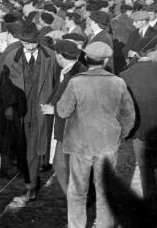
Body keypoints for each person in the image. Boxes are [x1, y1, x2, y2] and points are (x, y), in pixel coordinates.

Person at [57, 42, 135, 228]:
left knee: (77, 190)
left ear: (86, 58)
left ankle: (76, 225)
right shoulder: (118, 82)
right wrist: (120, 134)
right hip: (108, 144)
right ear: (106, 60)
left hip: (79, 144)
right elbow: (129, 115)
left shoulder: (76, 81)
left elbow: (63, 111)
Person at [0, 22, 58, 203]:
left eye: (34, 42)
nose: (31, 46)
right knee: (22, 149)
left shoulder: (51, 56)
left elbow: (57, 83)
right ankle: (31, 180)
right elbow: (6, 84)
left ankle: (30, 185)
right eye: (26, 43)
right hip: (19, 111)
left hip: (40, 111)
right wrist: (9, 105)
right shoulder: (11, 57)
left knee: (33, 149)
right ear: (21, 41)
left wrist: (52, 104)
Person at [42, 40, 86, 195]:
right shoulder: (68, 71)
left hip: (70, 131)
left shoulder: (76, 74)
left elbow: (79, 104)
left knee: (62, 167)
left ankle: (75, 205)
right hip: (64, 128)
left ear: (59, 56)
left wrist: (53, 109)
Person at [119, 37, 157, 201]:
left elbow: (124, 108)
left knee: (146, 171)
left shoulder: (124, 75)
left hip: (139, 131)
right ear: (151, 51)